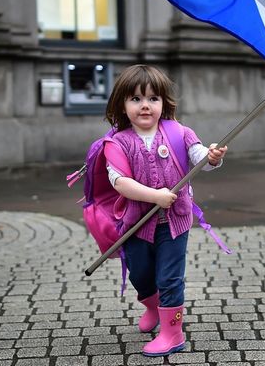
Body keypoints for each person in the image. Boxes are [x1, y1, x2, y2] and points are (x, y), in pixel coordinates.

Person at [104, 64, 227, 357]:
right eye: (136, 99)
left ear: (164, 103)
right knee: (141, 276)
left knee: (169, 277)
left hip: (175, 221)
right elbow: (119, 182)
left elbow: (197, 156)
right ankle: (152, 306)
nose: (145, 105)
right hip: (136, 224)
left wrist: (211, 157)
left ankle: (172, 333)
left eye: (153, 99)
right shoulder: (116, 142)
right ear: (122, 104)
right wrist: (154, 196)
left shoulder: (178, 132)